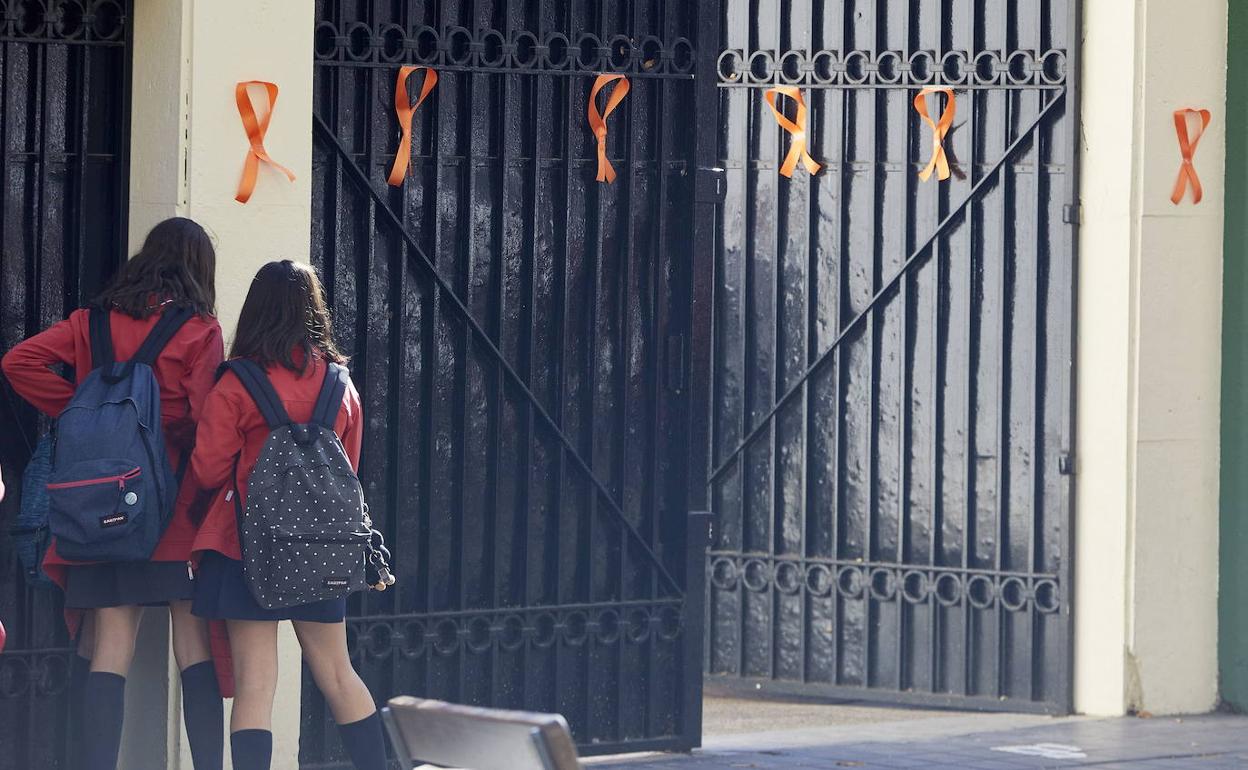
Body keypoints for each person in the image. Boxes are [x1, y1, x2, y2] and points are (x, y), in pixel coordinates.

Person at [1, 217, 225, 770]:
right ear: (198, 269)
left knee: (110, 647)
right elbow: (203, 422)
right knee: (193, 646)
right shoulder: (199, 330)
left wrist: (81, 412)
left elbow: (17, 361)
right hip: (172, 498)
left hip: (101, 502)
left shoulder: (89, 321)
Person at [189, 260, 385, 770]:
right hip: (321, 548)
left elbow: (209, 471)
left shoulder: (235, 385)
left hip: (242, 547)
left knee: (256, 686)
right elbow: (349, 468)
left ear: (254, 311)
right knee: (340, 674)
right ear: (312, 311)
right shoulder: (341, 387)